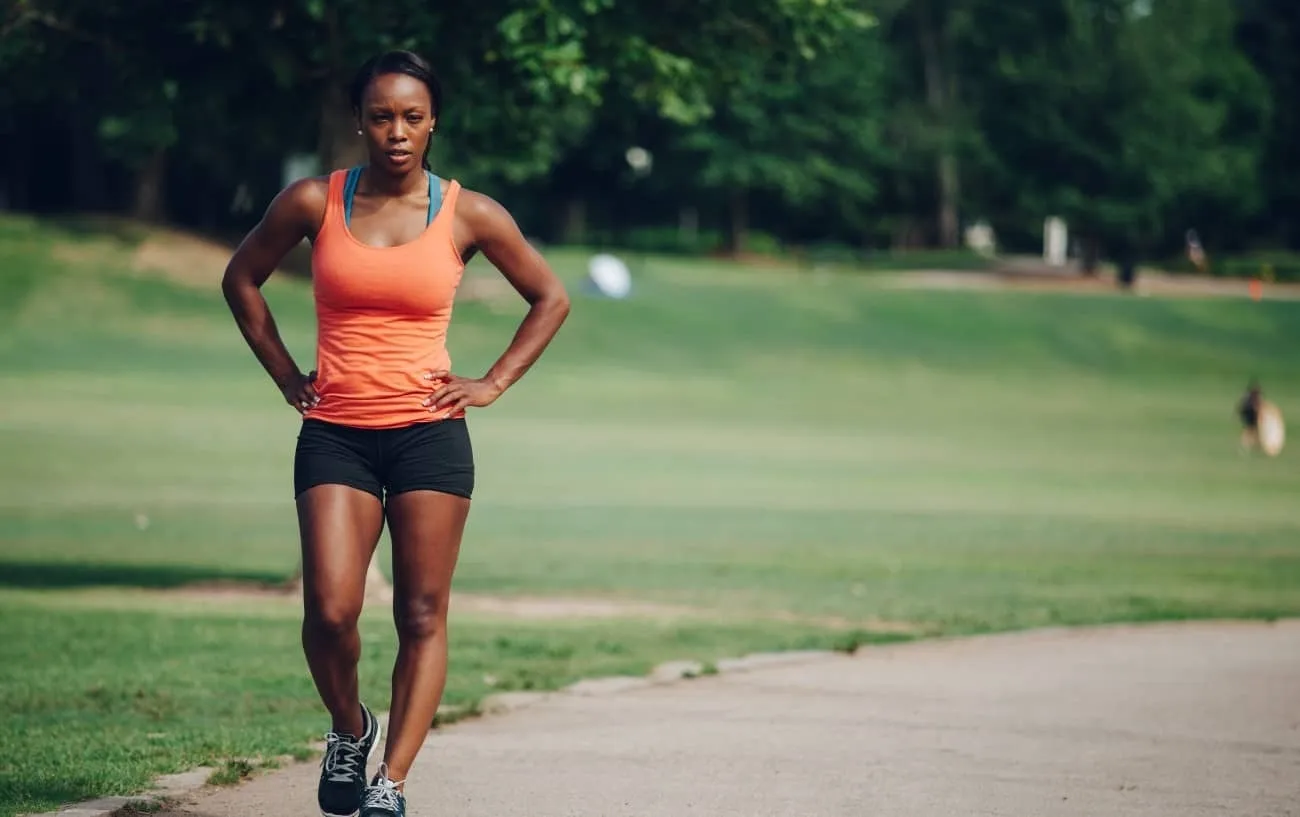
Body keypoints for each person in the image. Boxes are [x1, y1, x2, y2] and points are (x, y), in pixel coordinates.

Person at [220, 50, 570, 817]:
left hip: (430, 436)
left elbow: (549, 297)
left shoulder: (468, 213)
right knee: (332, 610)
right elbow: (240, 277)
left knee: (421, 612)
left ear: (433, 121)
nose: (397, 131)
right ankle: (349, 727)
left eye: (413, 116)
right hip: (336, 432)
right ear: (360, 122)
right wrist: (285, 374)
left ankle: (392, 780)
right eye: (382, 116)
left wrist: (493, 380)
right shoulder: (315, 201)